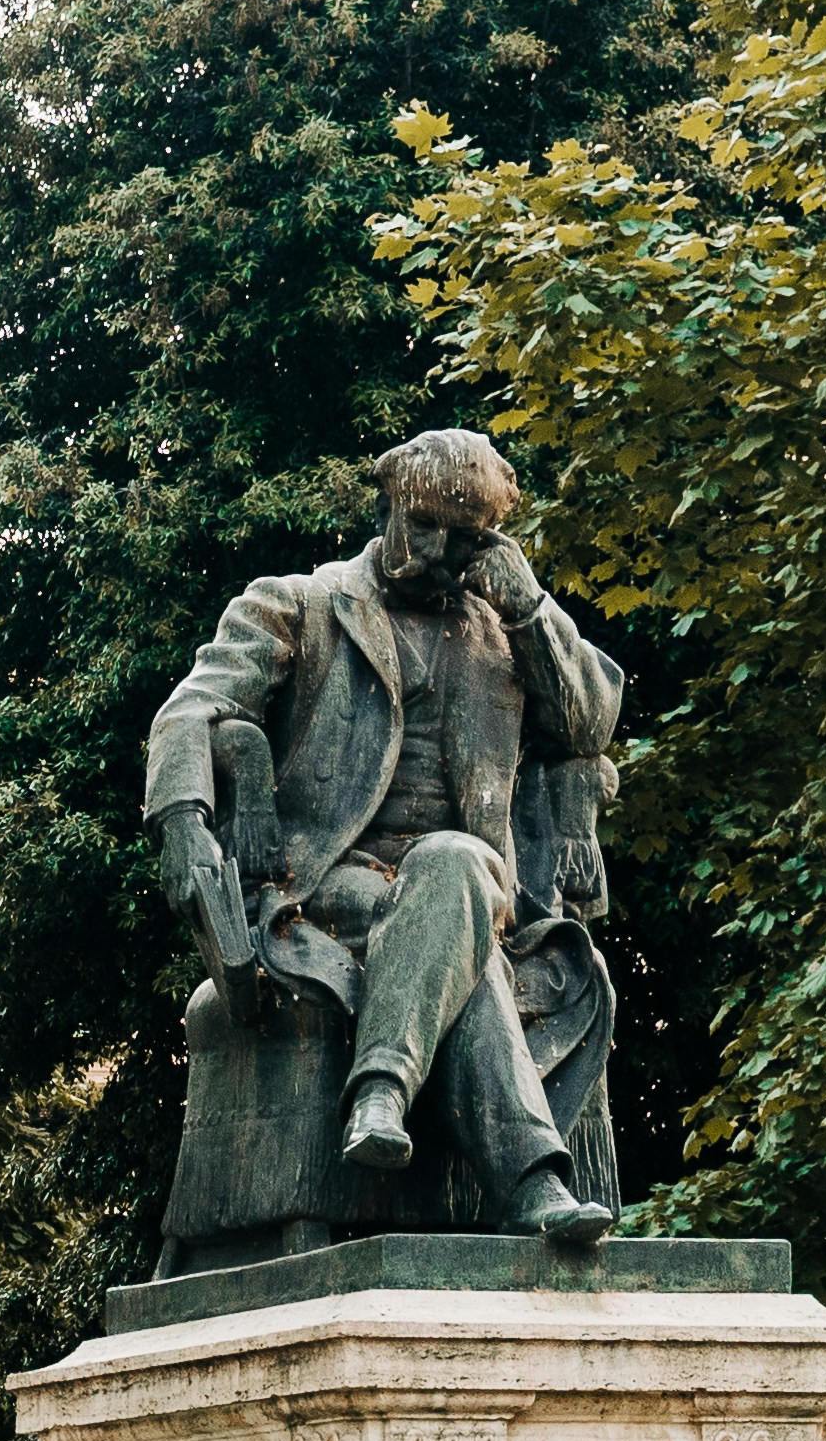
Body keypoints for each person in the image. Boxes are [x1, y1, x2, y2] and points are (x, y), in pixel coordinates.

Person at [141, 429, 631, 1273]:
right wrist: (185, 822)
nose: (443, 552)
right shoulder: (303, 601)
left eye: (467, 536)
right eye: (428, 525)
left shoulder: (503, 630)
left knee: (449, 874)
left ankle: (380, 1093)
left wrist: (529, 605)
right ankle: (534, 1183)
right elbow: (189, 711)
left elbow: (591, 723)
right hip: (325, 888)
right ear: (392, 507)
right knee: (457, 913)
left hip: (465, 887)